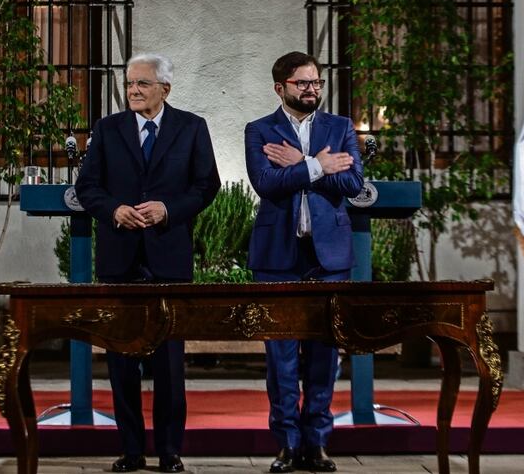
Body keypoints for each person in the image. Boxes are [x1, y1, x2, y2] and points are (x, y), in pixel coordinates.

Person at [76, 53, 219, 474]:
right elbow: (87, 186)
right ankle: (131, 451)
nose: (133, 91)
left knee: (169, 367)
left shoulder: (192, 128)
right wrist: (114, 209)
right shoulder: (107, 129)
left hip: (168, 259)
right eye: (130, 84)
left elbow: (206, 185)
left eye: (142, 84)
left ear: (165, 89)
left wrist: (169, 210)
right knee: (121, 364)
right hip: (120, 258)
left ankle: (170, 452)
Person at [244, 51, 364, 473]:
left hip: (329, 258)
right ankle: (287, 445)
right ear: (281, 88)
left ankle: (317, 444)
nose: (312, 89)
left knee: (324, 356)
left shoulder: (340, 127)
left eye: (316, 82)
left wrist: (299, 164)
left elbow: (352, 182)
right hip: (278, 258)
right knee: (281, 360)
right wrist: (316, 164)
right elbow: (266, 184)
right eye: (302, 83)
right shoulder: (259, 130)